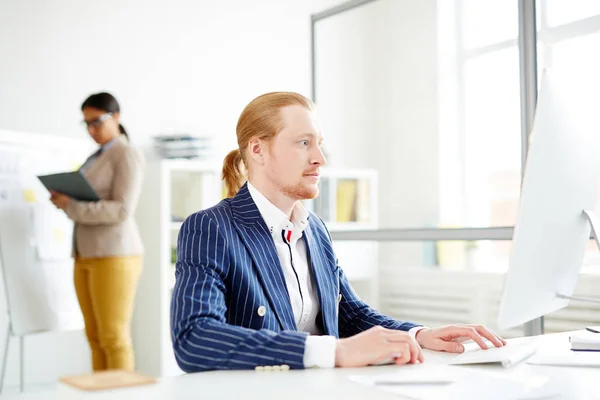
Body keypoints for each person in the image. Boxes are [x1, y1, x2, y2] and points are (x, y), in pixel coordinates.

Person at [171, 92, 506, 372]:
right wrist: (333, 353)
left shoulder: (314, 228)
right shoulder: (212, 227)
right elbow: (194, 338)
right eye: (303, 143)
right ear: (257, 149)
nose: (319, 159)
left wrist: (417, 335)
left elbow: (349, 312)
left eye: (319, 144)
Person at [50, 92, 145, 371]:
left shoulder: (127, 154)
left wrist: (72, 206)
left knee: (113, 338)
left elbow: (122, 210)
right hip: (85, 253)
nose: (91, 130)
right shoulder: (95, 156)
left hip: (115, 254)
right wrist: (65, 201)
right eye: (86, 124)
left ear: (115, 117)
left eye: (96, 122)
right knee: (94, 337)